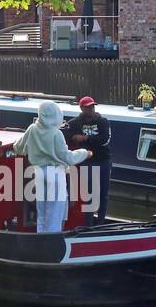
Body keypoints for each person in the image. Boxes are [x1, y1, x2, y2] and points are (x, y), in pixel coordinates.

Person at [13, 100, 91, 233]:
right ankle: (51, 247)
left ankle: (41, 244)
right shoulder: (56, 133)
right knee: (54, 215)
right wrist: (85, 153)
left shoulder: (32, 129)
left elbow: (18, 148)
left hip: (39, 173)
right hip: (55, 175)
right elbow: (67, 157)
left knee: (42, 214)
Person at [63, 96, 111, 224]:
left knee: (103, 194)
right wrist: (73, 137)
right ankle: (88, 224)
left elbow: (104, 139)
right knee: (89, 194)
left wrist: (85, 139)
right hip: (87, 161)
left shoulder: (103, 122)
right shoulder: (75, 123)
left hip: (103, 160)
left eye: (92, 106)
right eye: (88, 107)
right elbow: (63, 132)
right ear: (82, 108)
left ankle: (100, 223)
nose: (91, 109)